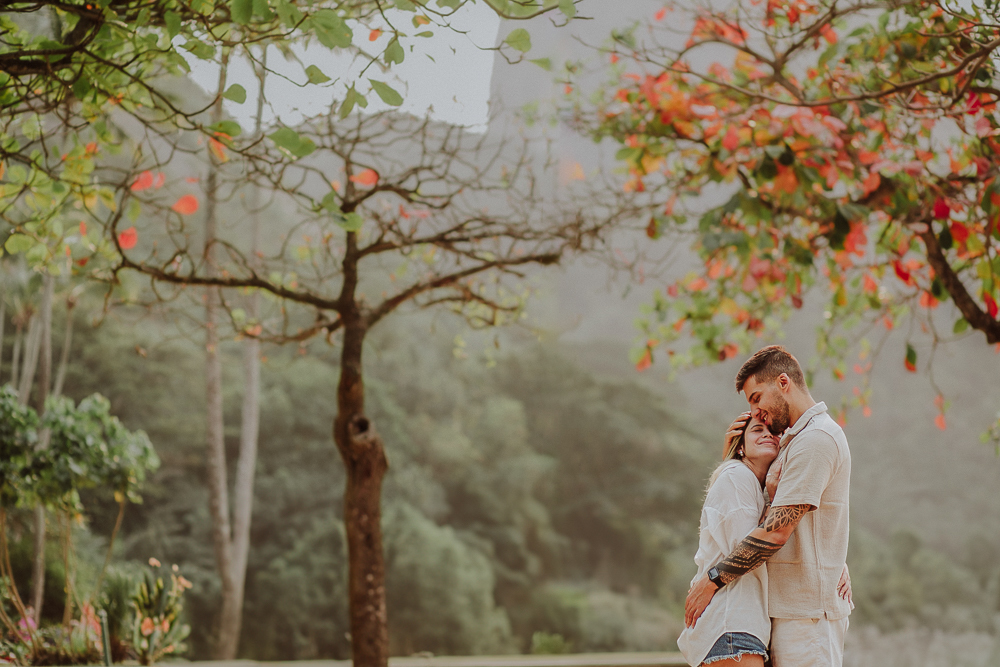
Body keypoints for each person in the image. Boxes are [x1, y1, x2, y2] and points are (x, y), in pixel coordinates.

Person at [684, 345, 853, 667]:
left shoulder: (815, 439)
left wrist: (712, 579)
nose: (756, 411)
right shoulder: (793, 441)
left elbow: (776, 532)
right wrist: (734, 457)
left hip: (807, 615)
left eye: (756, 397)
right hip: (781, 610)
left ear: (783, 383)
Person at [677, 413, 778, 666]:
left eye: (773, 431)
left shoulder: (750, 485)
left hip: (736, 625)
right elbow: (750, 549)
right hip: (732, 623)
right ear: (740, 447)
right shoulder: (737, 477)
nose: (767, 434)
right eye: (757, 430)